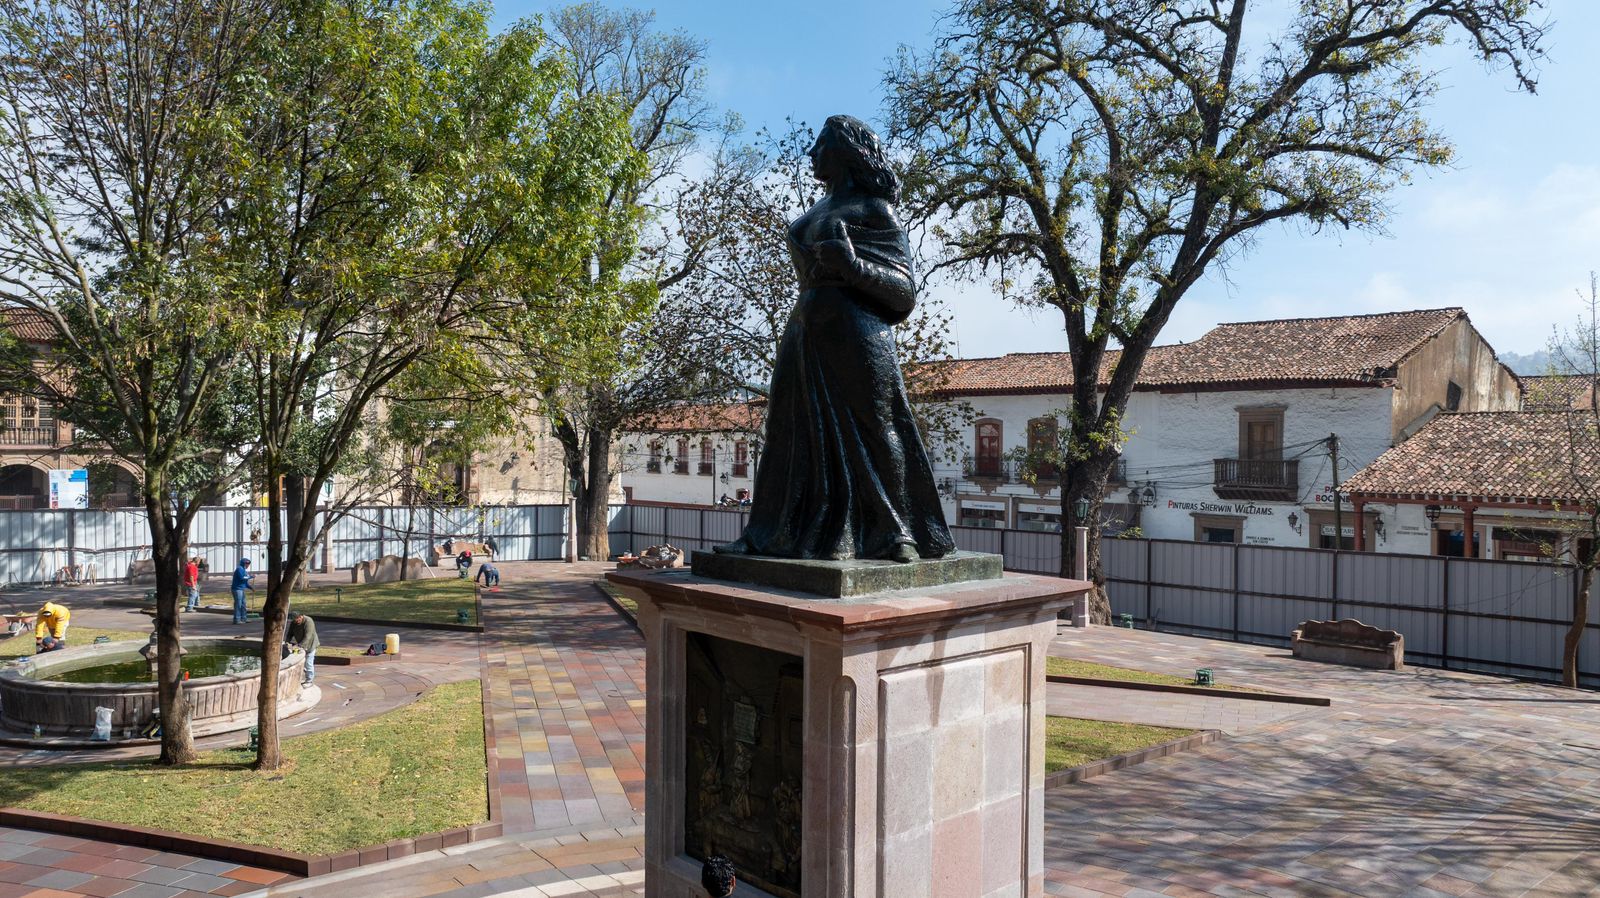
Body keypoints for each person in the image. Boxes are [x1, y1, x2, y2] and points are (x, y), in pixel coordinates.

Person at [714, 115, 954, 563]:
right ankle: (767, 533)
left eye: (820, 144)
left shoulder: (875, 210)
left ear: (844, 150)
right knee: (785, 431)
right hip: (807, 330)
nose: (812, 154)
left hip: (859, 330)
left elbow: (904, 293)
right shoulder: (815, 213)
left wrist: (853, 266)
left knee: (877, 427)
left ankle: (896, 532)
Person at [286, 611, 319, 685]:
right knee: (295, 658)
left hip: (310, 645)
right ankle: (300, 673)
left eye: (297, 619)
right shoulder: (293, 623)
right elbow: (289, 634)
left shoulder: (308, 621)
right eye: (294, 620)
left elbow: (308, 636)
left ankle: (309, 681)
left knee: (308, 663)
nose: (296, 621)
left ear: (301, 616)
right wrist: (287, 642)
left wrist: (299, 646)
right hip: (300, 645)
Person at [231, 558, 254, 624]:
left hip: (241, 589)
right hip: (237, 589)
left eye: (248, 564)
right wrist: (251, 577)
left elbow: (245, 582)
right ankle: (237, 619)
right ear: (243, 563)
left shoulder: (244, 571)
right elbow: (242, 578)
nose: (248, 565)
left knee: (243, 604)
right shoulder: (239, 569)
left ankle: (244, 618)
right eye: (246, 564)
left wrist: (250, 587)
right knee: (238, 604)